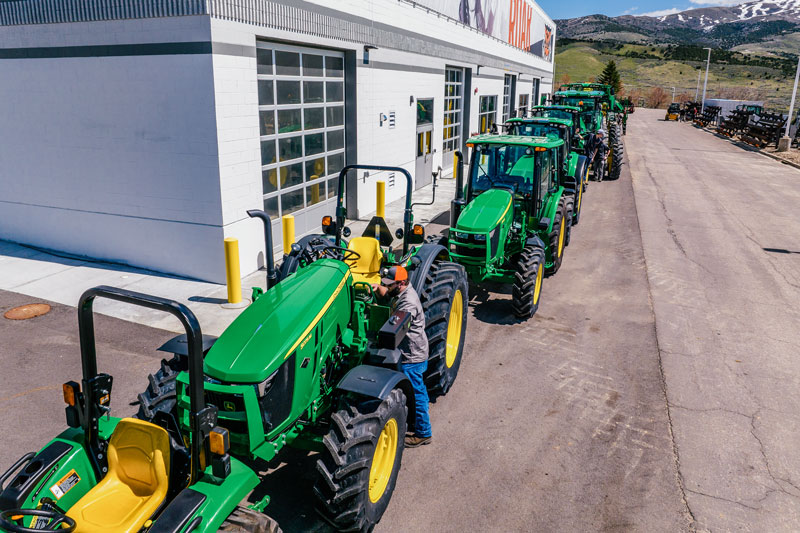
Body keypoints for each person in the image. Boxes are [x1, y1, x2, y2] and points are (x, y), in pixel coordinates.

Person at [372, 266, 432, 447]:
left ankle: (423, 433)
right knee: (417, 390)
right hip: (408, 352)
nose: (388, 287)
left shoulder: (409, 303)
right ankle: (417, 422)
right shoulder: (401, 291)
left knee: (417, 393)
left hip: (412, 356)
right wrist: (375, 288)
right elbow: (389, 293)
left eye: (391, 285)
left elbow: (393, 327)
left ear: (402, 283)